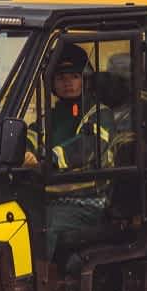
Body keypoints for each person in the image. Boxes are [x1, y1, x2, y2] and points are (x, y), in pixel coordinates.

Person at [38, 43, 117, 268]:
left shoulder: (100, 114)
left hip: (89, 203)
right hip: (50, 200)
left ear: (86, 79)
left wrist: (50, 158)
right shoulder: (50, 116)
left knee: (46, 227)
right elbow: (30, 139)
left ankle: (42, 287)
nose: (68, 83)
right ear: (51, 82)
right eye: (61, 77)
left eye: (74, 76)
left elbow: (87, 145)